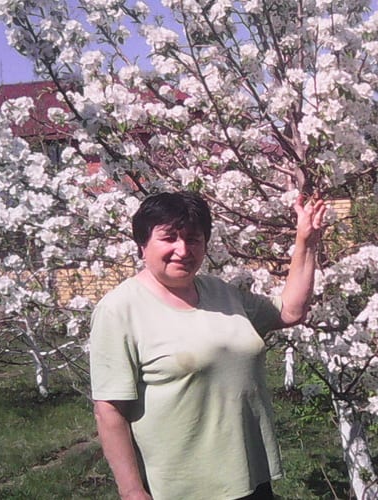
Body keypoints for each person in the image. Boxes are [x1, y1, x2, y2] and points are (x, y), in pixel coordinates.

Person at [90, 190, 326, 500]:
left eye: (193, 239)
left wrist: (306, 241)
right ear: (142, 245)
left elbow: (290, 311)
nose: (183, 250)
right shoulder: (119, 310)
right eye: (169, 238)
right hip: (183, 488)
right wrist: (132, 490)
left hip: (250, 477)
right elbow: (109, 410)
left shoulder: (220, 293)